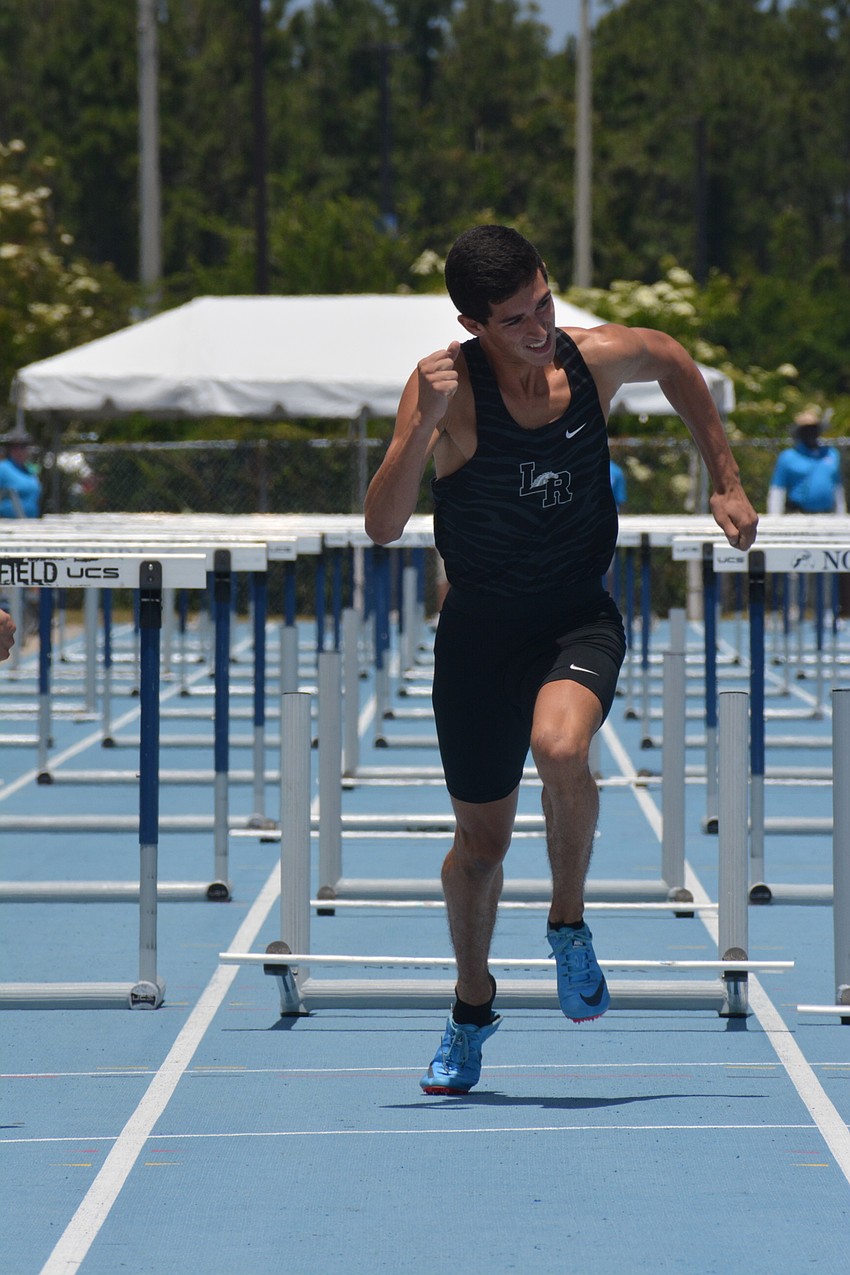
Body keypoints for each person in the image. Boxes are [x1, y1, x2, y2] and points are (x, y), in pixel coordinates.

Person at [364, 224, 758, 1096]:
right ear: (473, 324)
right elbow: (383, 525)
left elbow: (675, 361)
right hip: (477, 639)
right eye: (515, 319)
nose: (539, 327)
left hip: (578, 617)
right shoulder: (447, 391)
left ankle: (569, 922)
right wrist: (419, 430)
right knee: (481, 846)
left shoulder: (594, 361)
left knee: (565, 747)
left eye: (544, 301)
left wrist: (723, 477)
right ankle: (472, 1003)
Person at [767, 408, 846, 516]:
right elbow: (777, 490)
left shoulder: (831, 454)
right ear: (800, 433)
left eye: (813, 429)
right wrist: (775, 517)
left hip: (827, 514)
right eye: (806, 430)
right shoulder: (788, 456)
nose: (810, 433)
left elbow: (837, 488)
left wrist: (841, 514)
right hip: (799, 515)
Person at [0, 432, 42, 519]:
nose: (20, 450)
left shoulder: (30, 470)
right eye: (15, 447)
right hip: (7, 522)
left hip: (30, 521)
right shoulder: (3, 468)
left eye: (24, 447)